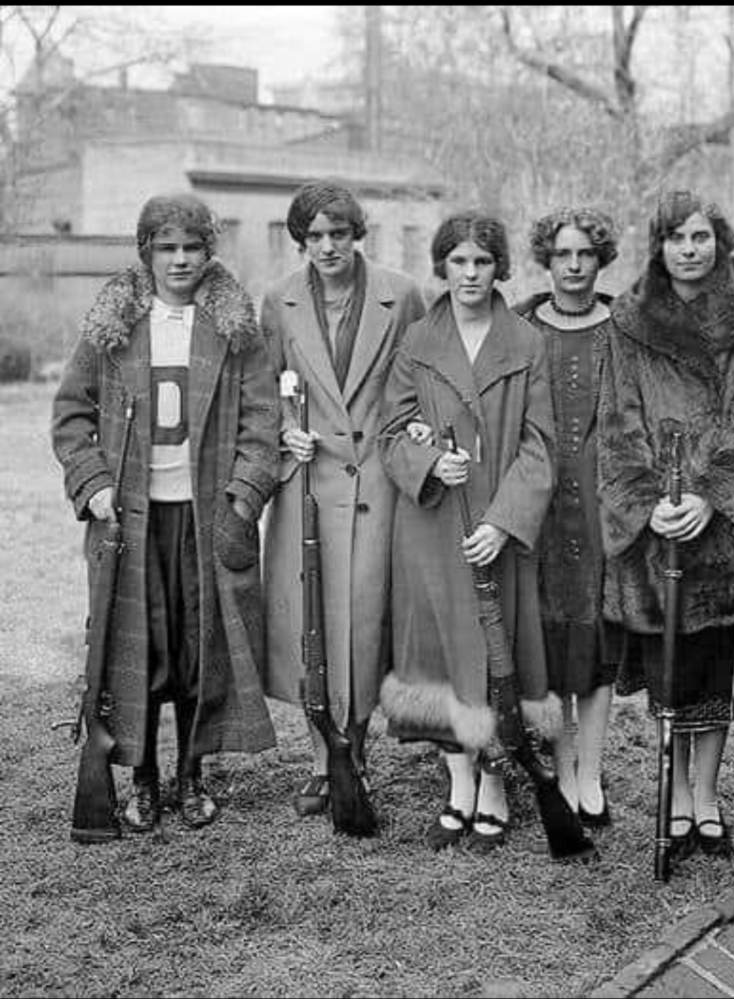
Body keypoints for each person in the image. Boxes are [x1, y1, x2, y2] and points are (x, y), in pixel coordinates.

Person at [52, 192, 279, 833]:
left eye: (192, 247)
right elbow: (70, 415)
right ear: (145, 252)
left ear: (210, 251)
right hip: (131, 521)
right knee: (141, 651)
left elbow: (263, 419)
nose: (180, 260)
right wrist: (93, 484)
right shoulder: (113, 327)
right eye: (166, 247)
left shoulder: (233, 328)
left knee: (196, 648)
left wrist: (243, 494)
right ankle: (144, 779)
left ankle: (192, 775)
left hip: (206, 519)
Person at [597, 189, 734, 863]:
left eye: (700, 237)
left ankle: (708, 795)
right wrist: (650, 500)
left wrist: (712, 494)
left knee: (717, 671)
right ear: (660, 245)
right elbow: (617, 420)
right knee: (672, 671)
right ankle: (674, 797)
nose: (689, 250)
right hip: (658, 526)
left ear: (719, 240)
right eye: (677, 238)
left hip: (722, 528)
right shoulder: (630, 319)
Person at [378, 210, 558, 852]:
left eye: (483, 262)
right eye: (459, 262)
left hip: (496, 529)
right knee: (443, 657)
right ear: (443, 267)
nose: (471, 274)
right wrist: (430, 461)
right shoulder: (418, 342)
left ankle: (498, 786)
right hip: (433, 526)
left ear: (499, 267)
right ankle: (458, 785)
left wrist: (506, 522)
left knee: (495, 655)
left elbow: (541, 447)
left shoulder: (526, 343)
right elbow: (391, 432)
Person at [260, 181, 426, 824]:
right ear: (301, 240)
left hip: (378, 485)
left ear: (358, 235)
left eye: (339, 233)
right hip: (308, 482)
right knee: (310, 623)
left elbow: (420, 381)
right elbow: (261, 389)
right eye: (314, 236)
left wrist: (414, 436)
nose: (327, 247)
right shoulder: (278, 299)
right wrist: (284, 428)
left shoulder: (402, 294)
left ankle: (352, 753)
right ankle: (318, 754)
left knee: (361, 622)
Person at [516, 207, 623, 827]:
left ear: (600, 258)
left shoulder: (624, 327)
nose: (575, 266)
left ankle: (590, 766)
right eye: (563, 255)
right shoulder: (525, 326)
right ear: (547, 260)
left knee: (598, 637)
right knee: (552, 635)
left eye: (585, 254)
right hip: (542, 503)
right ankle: (560, 762)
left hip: (603, 500)